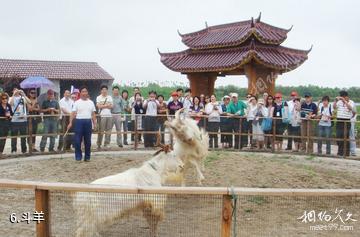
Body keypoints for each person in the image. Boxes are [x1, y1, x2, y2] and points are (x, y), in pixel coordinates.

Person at [67, 86, 96, 161]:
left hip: (88, 122)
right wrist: (70, 123)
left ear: (87, 93)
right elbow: (72, 113)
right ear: (80, 93)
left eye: (85, 91)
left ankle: (87, 157)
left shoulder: (91, 102)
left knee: (88, 141)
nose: (84, 93)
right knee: (77, 141)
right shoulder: (76, 102)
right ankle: (78, 157)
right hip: (79, 122)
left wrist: (95, 123)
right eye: (83, 91)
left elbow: (93, 114)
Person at [333, 90, 356, 157]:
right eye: (341, 96)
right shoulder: (339, 102)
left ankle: (346, 153)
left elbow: (350, 108)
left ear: (346, 96)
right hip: (339, 120)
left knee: (345, 137)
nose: (341, 97)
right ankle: (340, 152)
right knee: (338, 136)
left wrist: (344, 101)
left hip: (347, 121)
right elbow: (334, 107)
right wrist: (335, 100)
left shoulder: (351, 102)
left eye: (342, 96)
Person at [10, 88, 31, 154]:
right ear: (12, 91)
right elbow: (10, 103)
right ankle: (13, 150)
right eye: (15, 90)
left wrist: (24, 94)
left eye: (17, 90)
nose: (16, 91)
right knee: (14, 136)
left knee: (23, 136)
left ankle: (24, 150)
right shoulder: (11, 98)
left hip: (23, 119)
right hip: (14, 120)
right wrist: (13, 94)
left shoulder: (22, 97)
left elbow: (29, 102)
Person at [96, 85, 113, 150]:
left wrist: (103, 105)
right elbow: (98, 106)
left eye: (105, 89)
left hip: (109, 115)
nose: (104, 91)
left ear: (107, 90)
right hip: (102, 116)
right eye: (103, 89)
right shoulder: (98, 97)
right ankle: (99, 144)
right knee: (101, 130)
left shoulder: (110, 97)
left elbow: (111, 106)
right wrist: (107, 105)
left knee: (109, 130)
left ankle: (107, 143)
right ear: (101, 90)